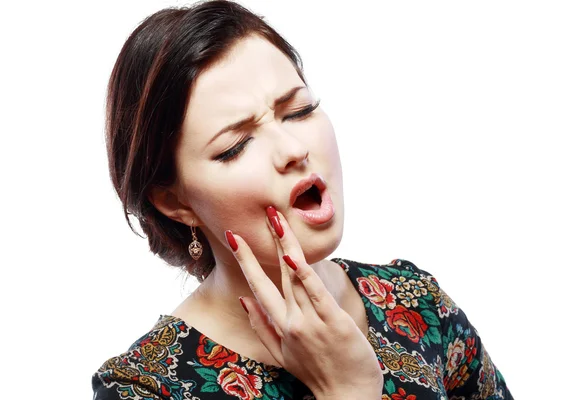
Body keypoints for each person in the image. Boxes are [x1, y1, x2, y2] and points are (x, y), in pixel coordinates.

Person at [91, 1, 513, 399]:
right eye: (236, 144)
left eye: (299, 111)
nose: (293, 147)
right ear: (173, 201)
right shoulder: (144, 387)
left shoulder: (417, 303)